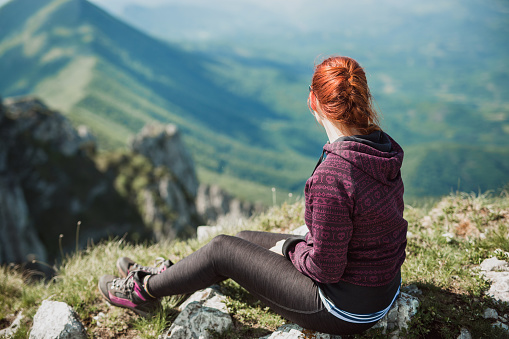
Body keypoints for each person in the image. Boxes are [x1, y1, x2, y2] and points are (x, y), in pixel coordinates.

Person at [98, 55, 408, 336]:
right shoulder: (382, 149)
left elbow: (324, 270)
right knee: (243, 238)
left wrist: (290, 250)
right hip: (380, 289)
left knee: (222, 249)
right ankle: (176, 278)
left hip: (344, 309)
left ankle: (144, 292)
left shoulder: (333, 177)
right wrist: (291, 247)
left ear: (312, 100)